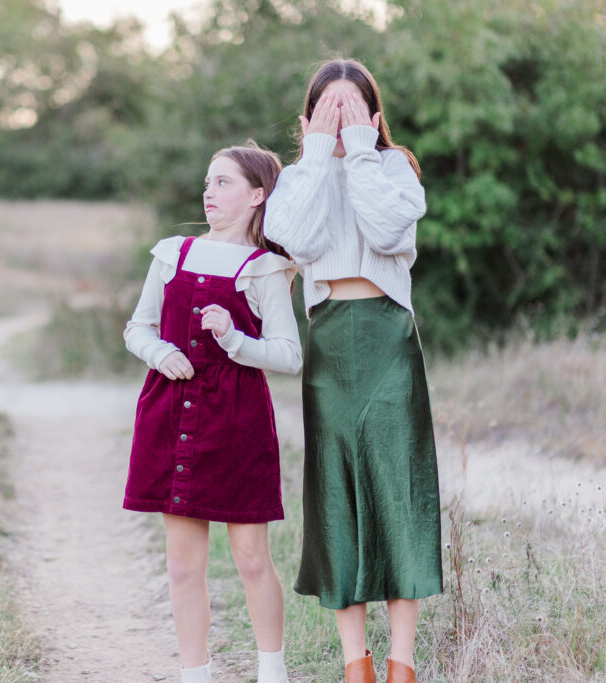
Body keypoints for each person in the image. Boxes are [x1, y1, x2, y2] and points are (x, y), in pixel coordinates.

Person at [263, 59, 443, 683]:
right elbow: (295, 240)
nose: (341, 117)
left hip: (388, 336)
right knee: (336, 493)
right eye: (327, 105)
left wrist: (362, 153)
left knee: (397, 490)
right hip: (330, 340)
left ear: (373, 114)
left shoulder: (394, 168)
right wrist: (318, 158)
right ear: (308, 117)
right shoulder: (296, 179)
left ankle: (401, 663)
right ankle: (354, 664)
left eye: (352, 105)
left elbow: (390, 231)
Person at [124, 143, 303, 683]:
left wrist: (234, 339)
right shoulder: (171, 253)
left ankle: (272, 672)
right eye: (208, 182)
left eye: (224, 183)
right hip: (169, 415)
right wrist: (162, 353)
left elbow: (289, 355)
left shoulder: (266, 269)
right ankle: (194, 673)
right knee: (183, 565)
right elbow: (138, 328)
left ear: (257, 196)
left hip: (236, 422)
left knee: (251, 560)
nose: (209, 192)